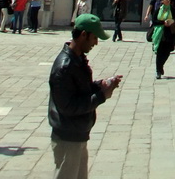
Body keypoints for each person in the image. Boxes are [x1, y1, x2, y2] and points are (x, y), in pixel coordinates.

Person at [49, 13, 122, 179]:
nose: (96, 43)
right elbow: (68, 106)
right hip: (68, 136)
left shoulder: (77, 60)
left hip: (78, 133)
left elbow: (80, 89)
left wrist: (100, 84)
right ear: (83, 35)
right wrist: (101, 96)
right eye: (94, 38)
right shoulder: (65, 67)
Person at [151, 0, 175, 79]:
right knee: (159, 52)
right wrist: (163, 23)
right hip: (160, 33)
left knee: (167, 52)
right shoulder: (158, 9)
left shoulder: (172, 9)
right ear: (162, 0)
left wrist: (172, 22)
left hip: (170, 33)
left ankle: (161, 65)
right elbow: (154, 21)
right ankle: (158, 71)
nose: (168, 1)